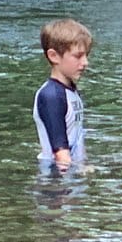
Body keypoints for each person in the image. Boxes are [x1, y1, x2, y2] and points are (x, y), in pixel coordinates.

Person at [33, 19, 91, 173]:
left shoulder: (71, 90)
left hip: (71, 172)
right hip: (56, 176)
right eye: (78, 56)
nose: (85, 62)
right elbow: (60, 153)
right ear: (54, 56)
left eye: (86, 55)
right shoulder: (51, 96)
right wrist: (70, 180)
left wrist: (83, 166)